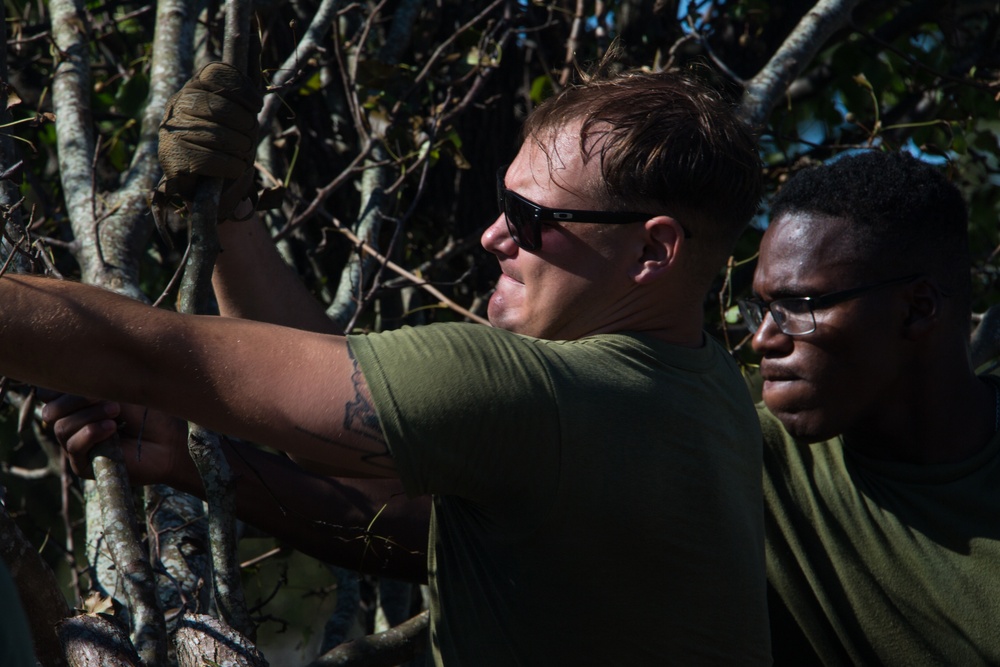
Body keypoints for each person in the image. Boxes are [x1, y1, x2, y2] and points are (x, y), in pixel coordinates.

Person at [19, 63, 771, 664]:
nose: (493, 236)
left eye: (533, 219)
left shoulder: (540, 394)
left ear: (653, 250)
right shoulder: (709, 396)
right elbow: (412, 524)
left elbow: (140, 354)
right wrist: (229, 226)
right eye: (502, 202)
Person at [739, 149, 1000, 665]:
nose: (763, 340)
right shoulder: (741, 460)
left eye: (800, 307)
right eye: (763, 309)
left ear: (918, 309)